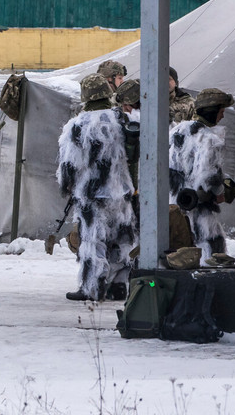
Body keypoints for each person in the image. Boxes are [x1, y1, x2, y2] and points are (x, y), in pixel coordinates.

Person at [56, 74, 137, 302]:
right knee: (121, 238)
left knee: (93, 240)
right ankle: (120, 284)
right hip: (121, 190)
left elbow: (69, 164)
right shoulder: (121, 119)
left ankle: (92, 287)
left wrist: (68, 187)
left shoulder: (78, 125)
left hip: (92, 193)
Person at [169, 88, 235, 264]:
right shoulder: (209, 139)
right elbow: (209, 182)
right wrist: (223, 190)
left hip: (173, 207)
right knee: (208, 252)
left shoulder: (178, 131)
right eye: (221, 112)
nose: (222, 116)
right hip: (199, 212)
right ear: (212, 111)